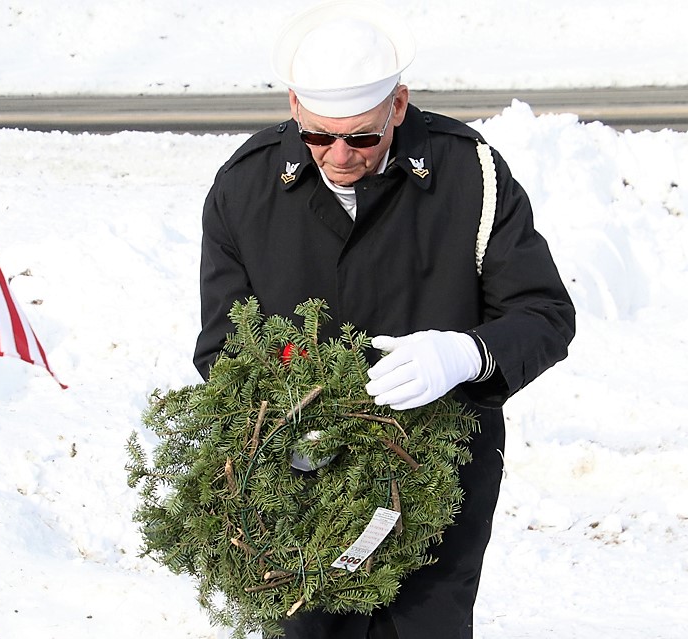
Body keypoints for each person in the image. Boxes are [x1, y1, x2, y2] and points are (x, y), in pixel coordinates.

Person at [192, 1, 576, 638]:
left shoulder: (469, 174)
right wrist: (294, 405)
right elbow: (221, 346)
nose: (339, 155)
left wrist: (466, 354)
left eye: (362, 136)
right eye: (319, 135)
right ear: (294, 105)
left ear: (398, 105)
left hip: (436, 477)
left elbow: (544, 313)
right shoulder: (244, 189)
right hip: (302, 484)